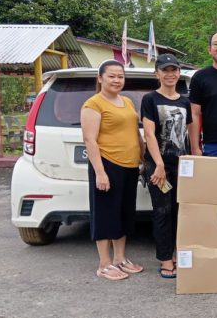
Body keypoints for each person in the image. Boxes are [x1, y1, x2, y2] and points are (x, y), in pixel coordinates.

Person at [81, 60, 144, 281]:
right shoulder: (93, 104)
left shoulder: (126, 101)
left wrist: (142, 159)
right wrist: (100, 172)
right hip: (107, 164)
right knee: (105, 214)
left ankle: (120, 258)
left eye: (120, 76)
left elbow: (135, 133)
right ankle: (104, 263)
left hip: (129, 166)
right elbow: (89, 139)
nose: (117, 80)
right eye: (112, 76)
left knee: (124, 214)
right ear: (100, 78)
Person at [141, 54, 193, 279]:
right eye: (165, 70)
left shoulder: (185, 101)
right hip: (159, 166)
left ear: (179, 73)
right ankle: (165, 260)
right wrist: (159, 165)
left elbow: (190, 132)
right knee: (163, 211)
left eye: (174, 70)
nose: (170, 74)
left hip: (182, 165)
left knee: (180, 211)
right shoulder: (150, 99)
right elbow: (150, 135)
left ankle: (177, 254)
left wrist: (195, 158)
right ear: (157, 74)